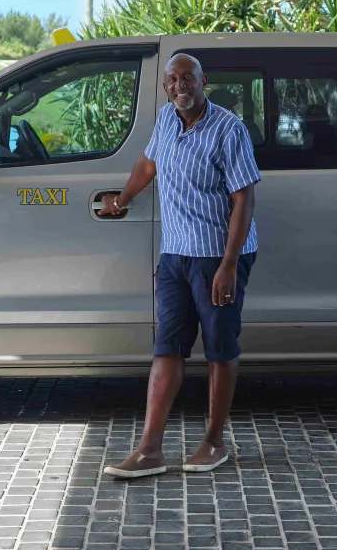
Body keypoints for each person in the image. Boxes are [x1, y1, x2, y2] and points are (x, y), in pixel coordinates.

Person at [99, 53, 261, 479]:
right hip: (175, 255)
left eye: (187, 78)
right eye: (172, 80)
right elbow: (149, 163)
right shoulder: (167, 120)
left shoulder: (229, 128)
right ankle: (150, 450)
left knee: (218, 347)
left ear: (203, 81)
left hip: (218, 255)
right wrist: (122, 199)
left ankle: (213, 442)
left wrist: (228, 265)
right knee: (167, 345)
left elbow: (244, 198)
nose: (179, 86)